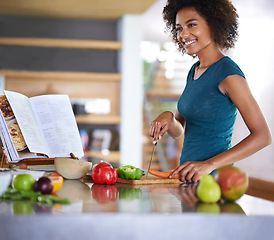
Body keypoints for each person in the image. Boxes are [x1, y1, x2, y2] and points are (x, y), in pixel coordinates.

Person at [149, 0, 272, 183]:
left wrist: (209, 164)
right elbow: (179, 131)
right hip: (188, 180)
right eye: (179, 28)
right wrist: (168, 117)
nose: (183, 34)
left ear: (214, 25)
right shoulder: (194, 71)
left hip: (216, 181)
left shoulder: (228, 73)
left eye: (191, 25)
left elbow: (263, 136)